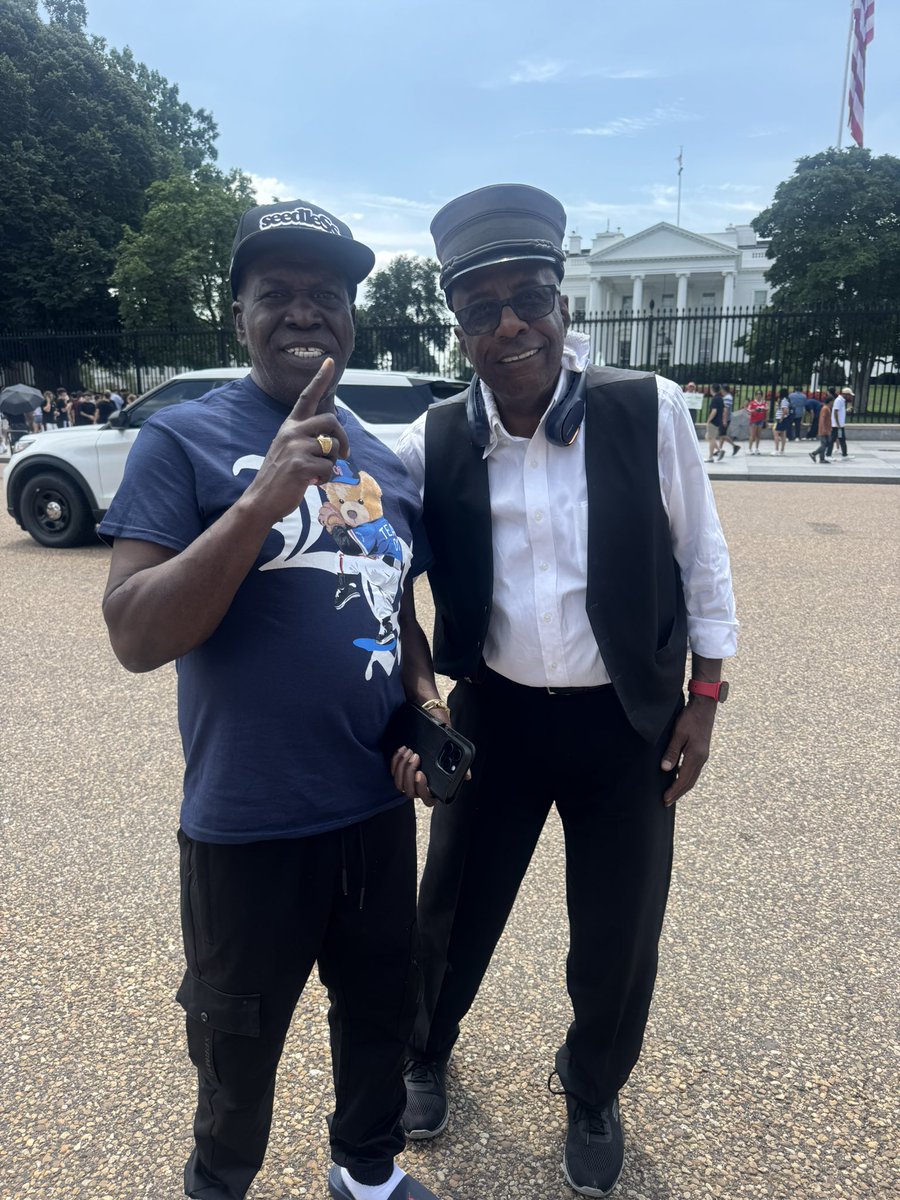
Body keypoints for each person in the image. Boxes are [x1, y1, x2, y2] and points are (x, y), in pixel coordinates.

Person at [392, 184, 738, 1198]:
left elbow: (703, 559)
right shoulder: (433, 440)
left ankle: (591, 1086)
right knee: (450, 909)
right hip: (495, 713)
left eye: (528, 297)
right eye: (480, 309)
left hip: (626, 718)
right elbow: (373, 565)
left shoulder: (648, 410)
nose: (509, 325)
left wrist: (705, 697)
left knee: (620, 927)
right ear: (457, 329)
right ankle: (423, 1050)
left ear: (563, 301)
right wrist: (412, 691)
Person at [99, 198, 443, 1200]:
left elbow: (393, 606)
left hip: (375, 813)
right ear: (237, 313)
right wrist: (262, 500)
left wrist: (427, 708)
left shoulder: (378, 460)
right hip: (248, 822)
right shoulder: (183, 441)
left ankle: (367, 1174)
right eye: (277, 294)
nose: (304, 314)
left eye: (325, 296)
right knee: (235, 1038)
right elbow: (134, 632)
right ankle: (220, 1183)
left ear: (351, 317)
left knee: (381, 1010)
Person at [828, 387, 851, 458]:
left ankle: (844, 454)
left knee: (842, 439)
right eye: (849, 395)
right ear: (845, 394)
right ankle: (828, 455)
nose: (849, 397)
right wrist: (838, 424)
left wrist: (846, 410)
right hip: (836, 425)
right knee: (832, 440)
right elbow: (835, 412)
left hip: (839, 425)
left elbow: (839, 411)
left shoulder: (842, 400)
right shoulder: (838, 400)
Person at [810, 391, 833, 463]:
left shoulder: (826, 408)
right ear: (830, 402)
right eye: (833, 402)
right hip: (824, 429)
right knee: (825, 444)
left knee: (824, 444)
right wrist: (824, 428)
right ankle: (814, 453)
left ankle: (822, 459)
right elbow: (822, 418)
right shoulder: (825, 408)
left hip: (826, 429)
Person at [706, 385, 726, 461]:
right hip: (718, 421)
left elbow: (714, 411)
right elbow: (724, 410)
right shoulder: (720, 398)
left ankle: (711, 457)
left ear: (712, 390)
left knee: (711, 439)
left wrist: (708, 420)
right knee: (707, 436)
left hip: (713, 421)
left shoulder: (714, 399)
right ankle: (719, 450)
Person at [772, 388, 789, 454]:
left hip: (781, 418)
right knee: (783, 434)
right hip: (782, 418)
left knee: (776, 433)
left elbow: (785, 410)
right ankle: (782, 450)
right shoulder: (784, 400)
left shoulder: (783, 400)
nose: (778, 393)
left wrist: (781, 418)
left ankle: (776, 450)